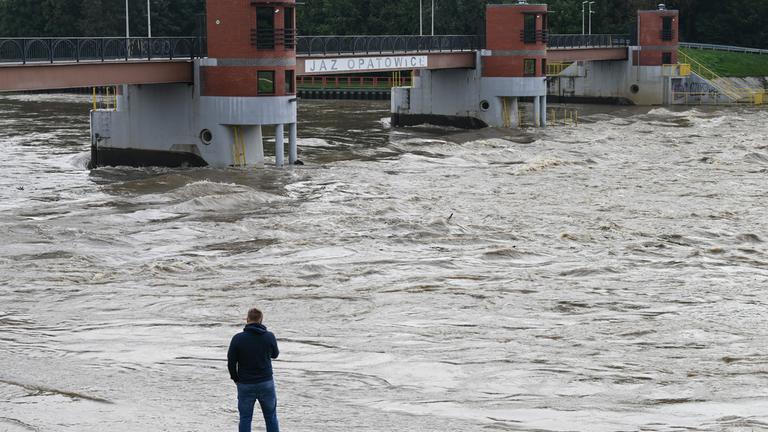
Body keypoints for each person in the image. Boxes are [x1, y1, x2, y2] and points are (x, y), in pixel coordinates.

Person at [228, 308, 280, 432]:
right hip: (266, 383)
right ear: (261, 320)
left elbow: (231, 363)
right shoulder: (269, 336)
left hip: (245, 384)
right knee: (271, 417)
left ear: (247, 319)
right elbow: (275, 354)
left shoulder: (237, 338)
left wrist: (236, 379)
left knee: (245, 418)